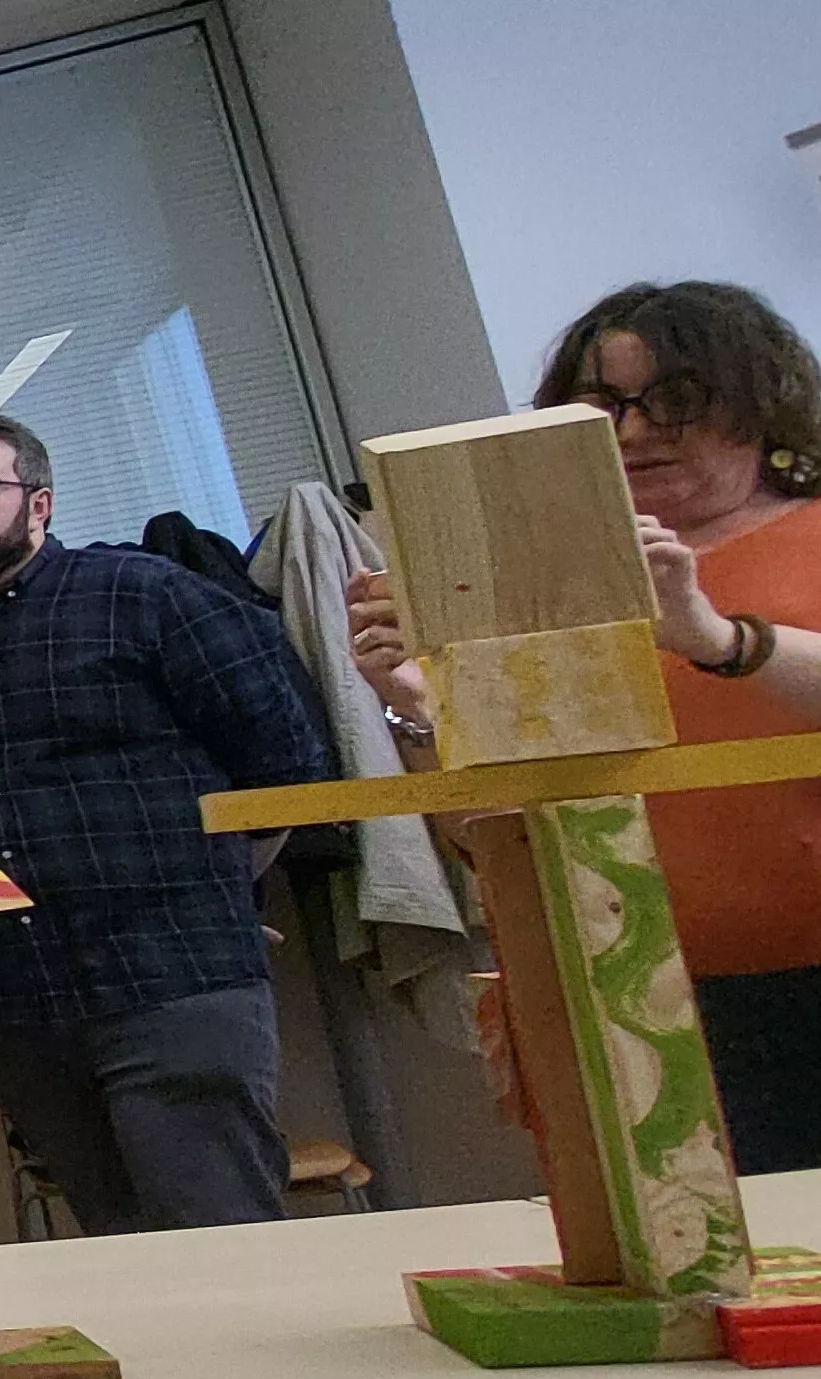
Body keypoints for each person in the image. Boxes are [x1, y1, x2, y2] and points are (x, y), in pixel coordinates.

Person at [349, 280, 821, 1175]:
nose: (635, 431)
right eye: (603, 404)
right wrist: (424, 705)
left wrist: (718, 640)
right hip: (624, 996)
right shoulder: (542, 578)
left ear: (762, 406)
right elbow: (491, 837)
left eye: (677, 400)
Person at [0, 414, 331, 1235]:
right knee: (112, 1249)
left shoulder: (148, 594)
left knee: (220, 1240)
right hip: (16, 1003)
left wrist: (214, 886)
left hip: (172, 978)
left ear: (39, 504)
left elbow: (287, 768)